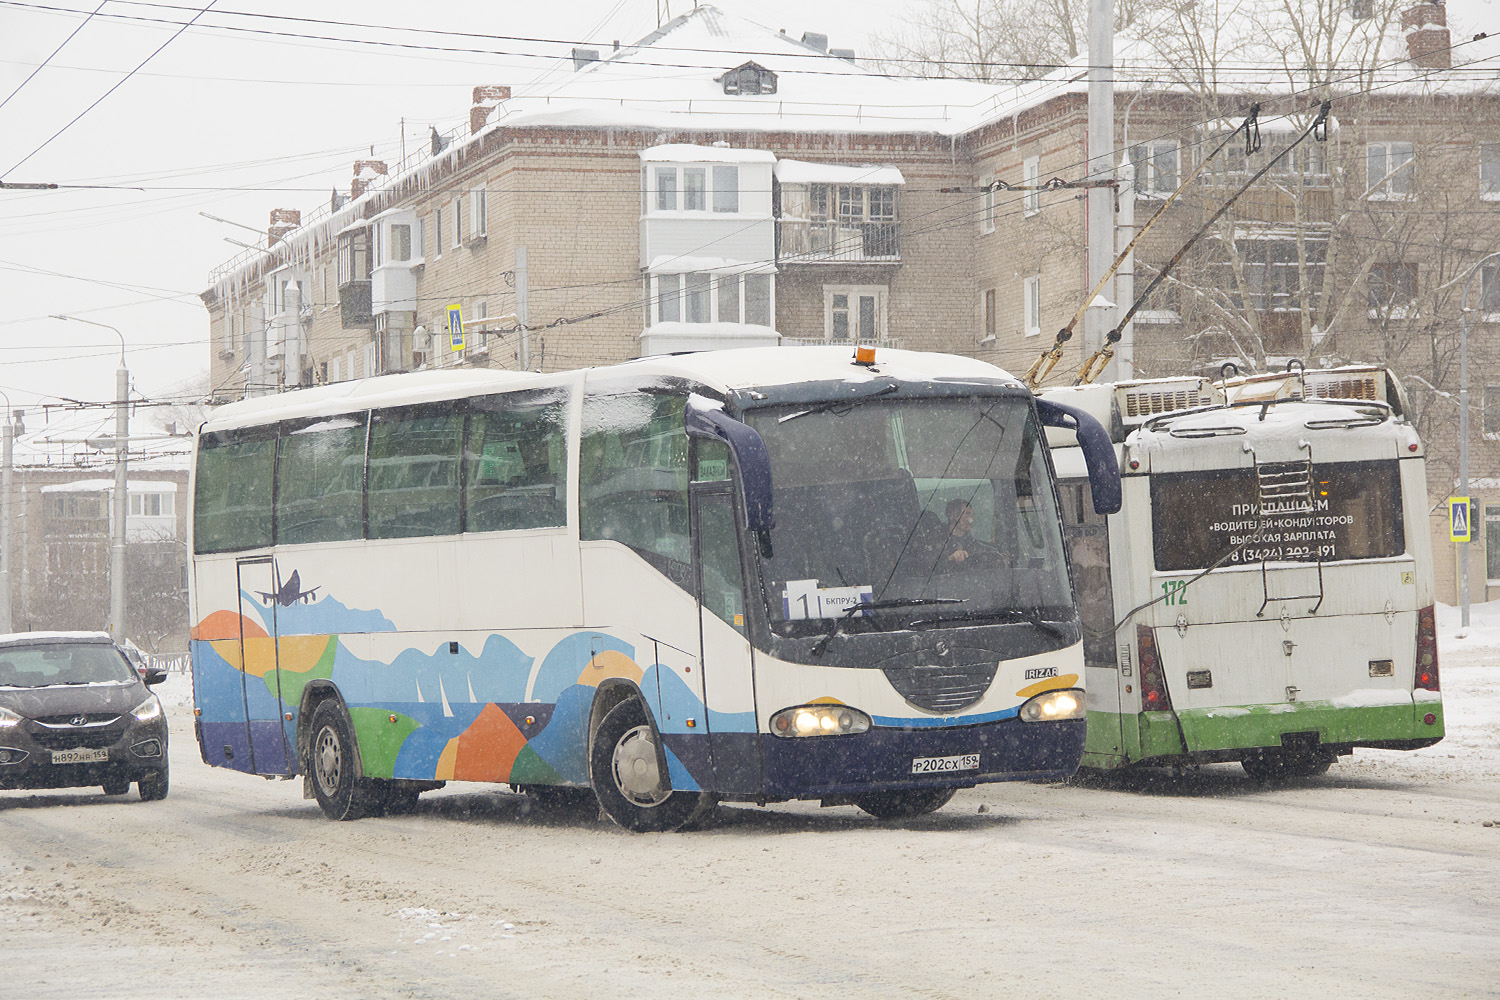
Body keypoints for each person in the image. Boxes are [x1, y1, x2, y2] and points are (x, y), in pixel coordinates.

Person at [941, 498, 999, 568]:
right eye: (967, 514)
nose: (971, 519)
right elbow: (929, 565)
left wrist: (1000, 561)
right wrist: (949, 558)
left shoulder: (977, 546)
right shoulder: (937, 542)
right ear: (952, 516)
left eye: (972, 515)